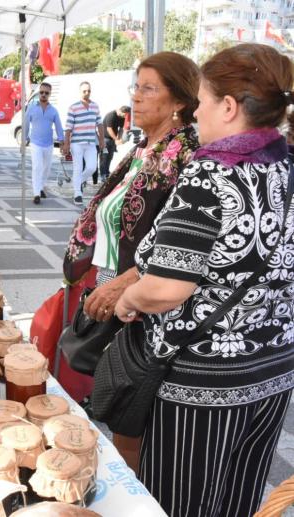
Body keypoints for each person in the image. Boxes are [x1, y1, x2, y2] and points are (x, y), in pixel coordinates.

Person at [114, 43, 294, 517]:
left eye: (204, 102)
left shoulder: (212, 173)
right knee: (238, 499)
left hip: (202, 380)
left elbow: (166, 288)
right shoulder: (287, 166)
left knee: (178, 503)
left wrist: (129, 296)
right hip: (274, 370)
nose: (197, 115)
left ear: (229, 107)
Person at [62, 52, 201, 468]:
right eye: (135, 87)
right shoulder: (142, 148)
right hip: (113, 281)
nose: (135, 98)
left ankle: (138, 496)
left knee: (130, 414)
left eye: (148, 88)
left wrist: (125, 284)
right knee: (114, 399)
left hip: (144, 298)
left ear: (178, 100)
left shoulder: (184, 154)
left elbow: (175, 239)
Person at [63, 82, 103, 204]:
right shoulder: (73, 107)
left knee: (92, 167)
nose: (87, 93)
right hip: (76, 143)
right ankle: (77, 193)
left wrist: (102, 140)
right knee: (78, 167)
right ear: (80, 92)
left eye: (89, 91)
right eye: (84, 91)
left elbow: (100, 124)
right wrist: (66, 144)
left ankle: (79, 182)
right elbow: (68, 127)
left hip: (91, 142)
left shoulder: (95, 106)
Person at [24, 82, 64, 204]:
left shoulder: (53, 110)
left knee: (46, 168)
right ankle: (36, 193)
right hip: (35, 143)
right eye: (41, 92)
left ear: (49, 94)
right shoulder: (31, 108)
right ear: (38, 93)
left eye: (46, 93)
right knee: (37, 167)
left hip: (49, 144)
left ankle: (41, 187)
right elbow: (25, 124)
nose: (43, 95)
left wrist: (62, 141)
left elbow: (58, 126)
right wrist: (24, 139)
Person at [97, 105, 130, 183]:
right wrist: (116, 139)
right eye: (125, 114)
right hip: (104, 140)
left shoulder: (121, 117)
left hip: (112, 140)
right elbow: (109, 129)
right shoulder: (111, 115)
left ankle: (107, 173)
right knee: (104, 157)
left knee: (110, 157)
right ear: (121, 111)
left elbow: (121, 129)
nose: (125, 116)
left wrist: (119, 138)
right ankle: (102, 175)